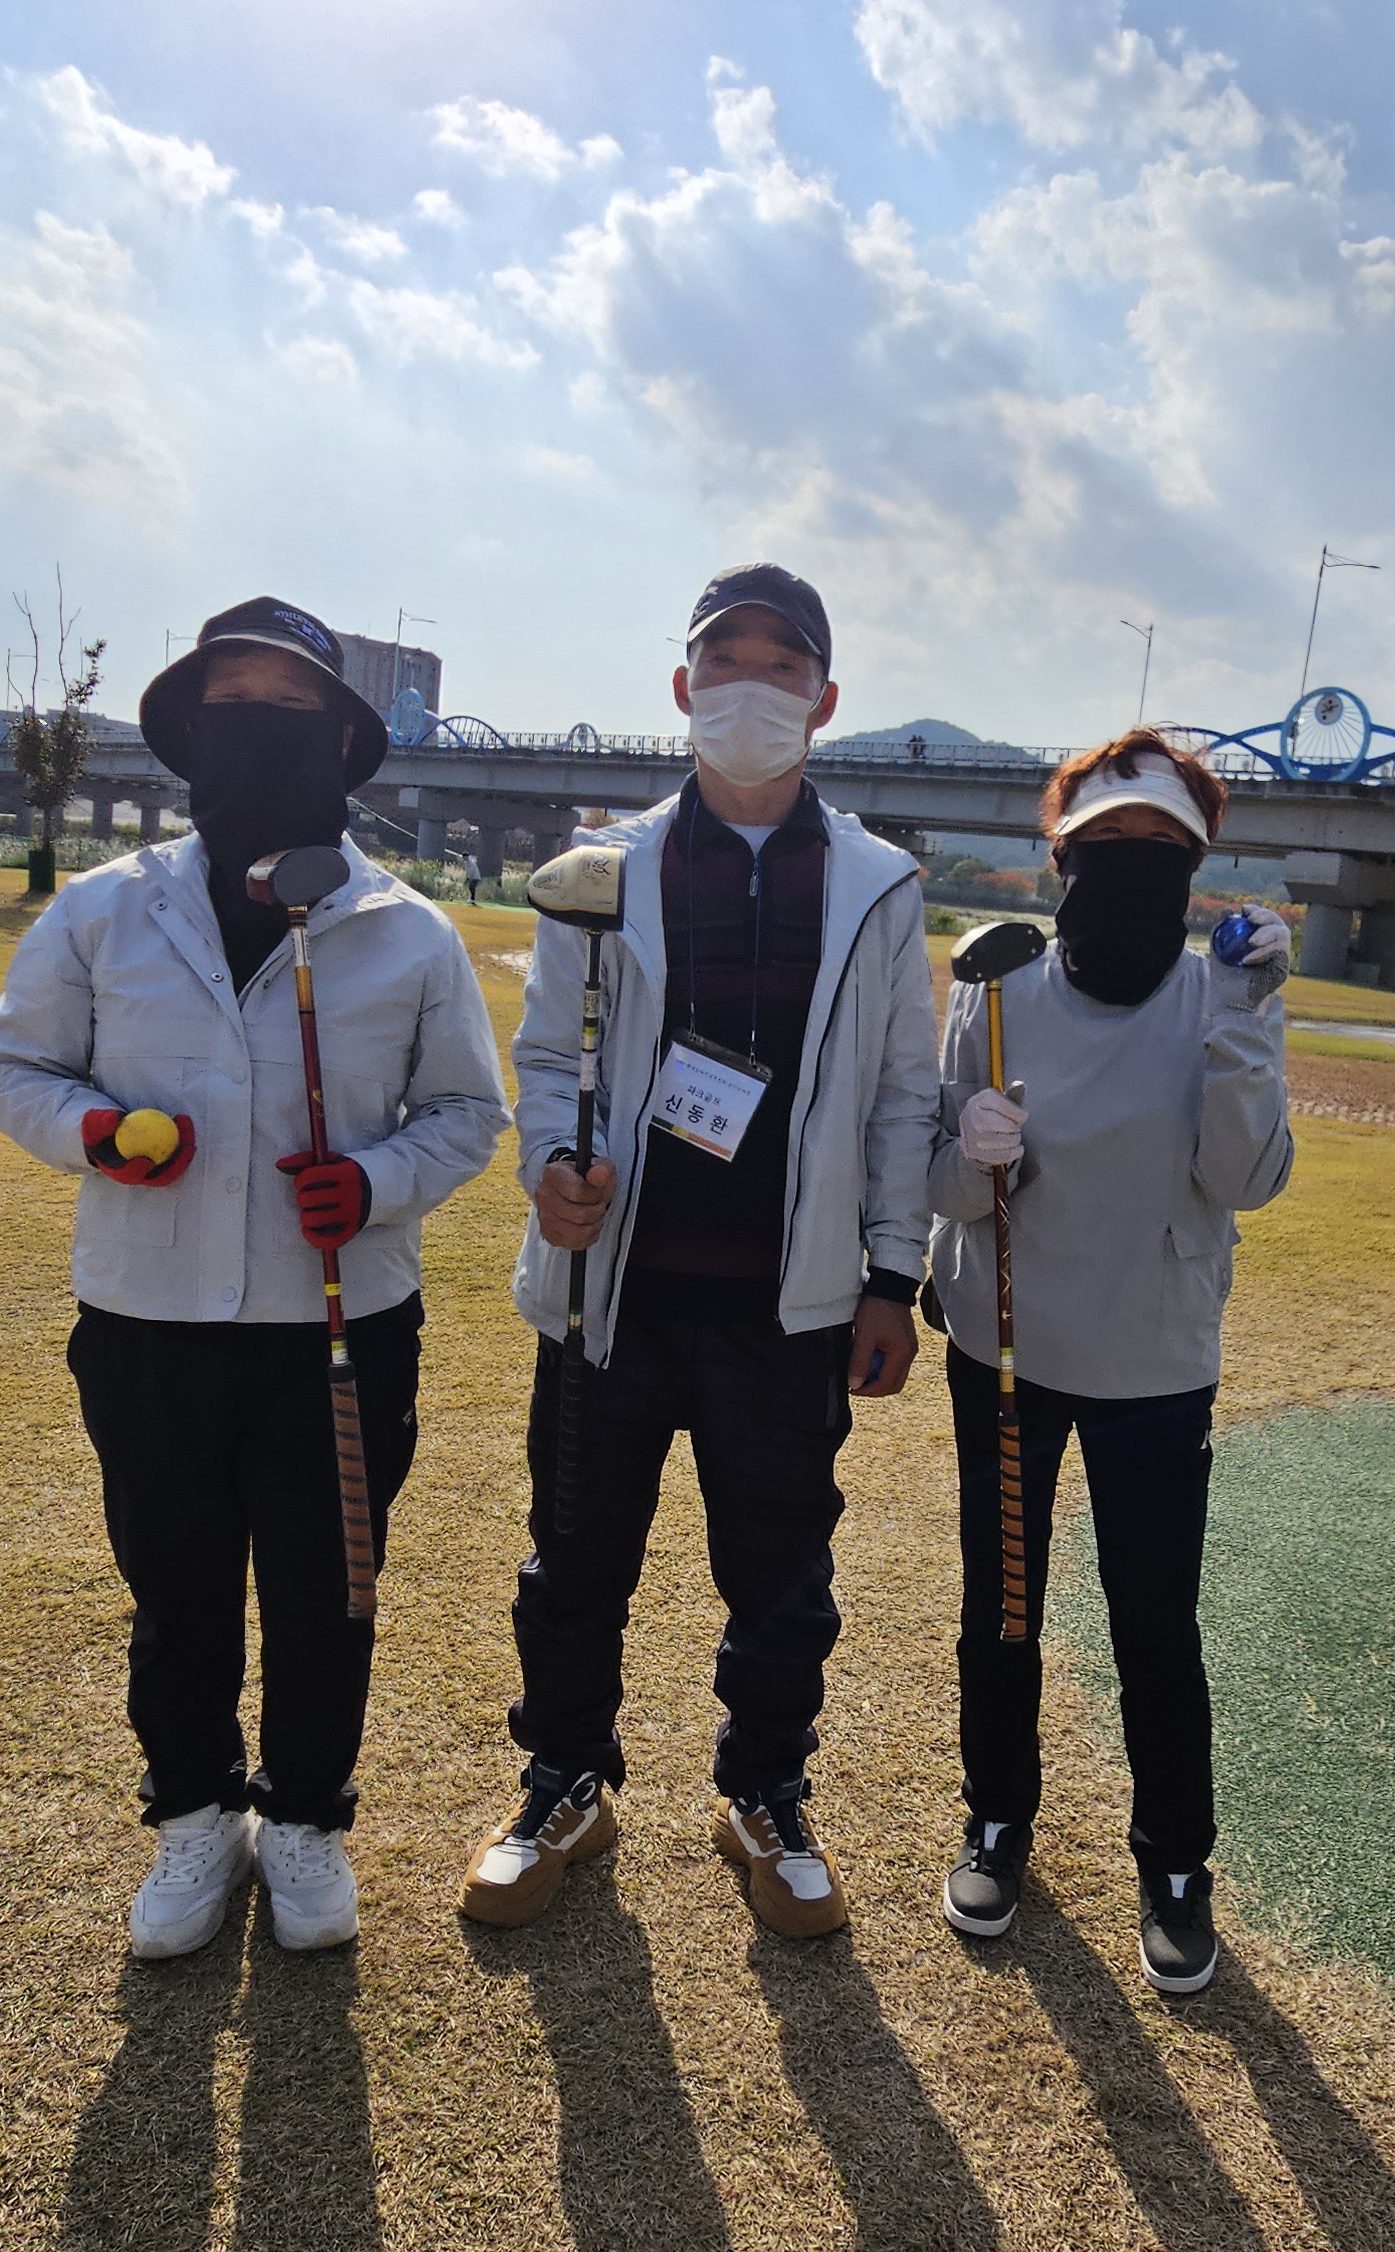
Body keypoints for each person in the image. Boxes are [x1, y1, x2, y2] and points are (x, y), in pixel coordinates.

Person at [0, 596, 506, 1961]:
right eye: (232, 708)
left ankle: (309, 1816)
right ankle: (195, 1813)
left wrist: (376, 1182)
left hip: (341, 1331)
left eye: (290, 709)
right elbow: (14, 1068)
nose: (259, 732)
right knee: (178, 1589)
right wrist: (96, 1132)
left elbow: (468, 1112)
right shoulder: (105, 910)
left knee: (333, 1595)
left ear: (339, 741)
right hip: (147, 1322)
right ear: (188, 734)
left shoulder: (409, 931)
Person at [458, 564, 939, 1940]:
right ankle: (564, 1782)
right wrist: (548, 1171)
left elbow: (903, 1093)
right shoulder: (598, 872)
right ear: (682, 685)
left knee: (783, 1576)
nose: (751, 688)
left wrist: (891, 1277)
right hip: (608, 1291)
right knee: (573, 1561)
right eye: (726, 661)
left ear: (824, 701)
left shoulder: (879, 884)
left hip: (790, 1305)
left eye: (783, 666)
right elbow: (549, 1056)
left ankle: (765, 1794)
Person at [923, 729, 1294, 1994]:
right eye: (1104, 839)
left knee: (1153, 1622)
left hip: (1155, 1359)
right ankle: (995, 1818)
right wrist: (971, 1156)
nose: (1131, 859)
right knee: (1003, 1605)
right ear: (1059, 855)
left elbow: (1242, 1177)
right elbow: (940, 1189)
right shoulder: (992, 985)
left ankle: (1176, 1862)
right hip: (1006, 1347)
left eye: (1160, 842)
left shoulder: (1226, 988)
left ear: (1195, 861)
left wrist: (1244, 1022)